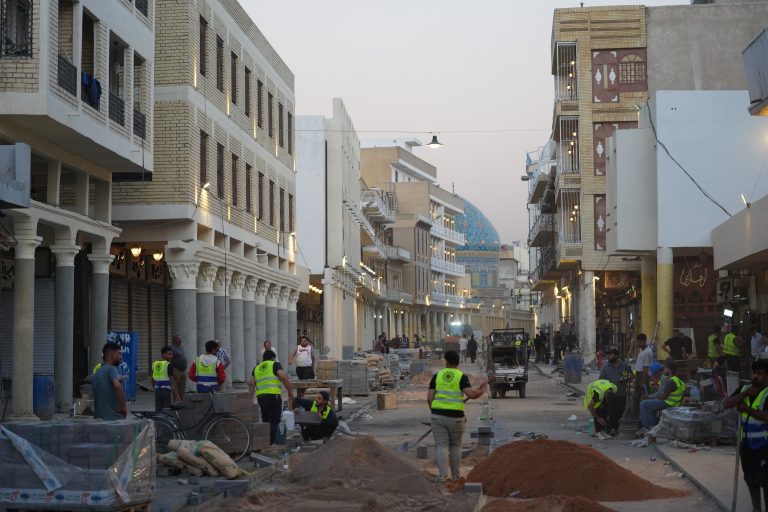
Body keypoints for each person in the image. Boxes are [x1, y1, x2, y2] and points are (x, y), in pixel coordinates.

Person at [428, 350, 487, 483]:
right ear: (458, 362)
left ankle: (442, 477)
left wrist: (435, 413)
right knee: (455, 446)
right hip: (456, 417)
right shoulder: (461, 377)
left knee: (441, 446)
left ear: (446, 362)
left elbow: (429, 398)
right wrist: (482, 390)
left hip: (437, 416)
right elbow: (471, 394)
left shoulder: (437, 376)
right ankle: (455, 477)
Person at [723, 359, 768, 512]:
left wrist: (746, 409)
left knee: (765, 481)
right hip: (746, 445)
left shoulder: (767, 393)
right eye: (754, 373)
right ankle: (756, 509)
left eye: (760, 374)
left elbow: (766, 416)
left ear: (766, 376)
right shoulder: (744, 389)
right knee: (750, 479)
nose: (756, 376)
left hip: (763, 446)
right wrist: (745, 394)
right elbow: (727, 403)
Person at [249, 349, 293, 445]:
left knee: (265, 419)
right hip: (273, 396)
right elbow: (283, 377)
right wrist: (290, 391)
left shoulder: (256, 368)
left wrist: (249, 399)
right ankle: (270, 442)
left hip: (261, 397)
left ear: (263, 358)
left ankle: (265, 442)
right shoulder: (275, 364)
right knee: (274, 420)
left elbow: (251, 384)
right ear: (273, 358)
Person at [637, 360, 685, 436]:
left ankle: (647, 428)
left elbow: (663, 396)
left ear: (669, 370)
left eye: (665, 368)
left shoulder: (670, 380)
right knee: (650, 405)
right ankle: (652, 427)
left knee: (643, 403)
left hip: (668, 403)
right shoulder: (677, 380)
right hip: (673, 403)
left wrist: (649, 397)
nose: (663, 370)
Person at [598, 348, 631, 435]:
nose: (608, 357)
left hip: (622, 394)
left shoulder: (624, 366)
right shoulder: (605, 368)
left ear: (616, 356)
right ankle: (609, 429)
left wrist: (627, 379)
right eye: (608, 355)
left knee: (620, 412)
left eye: (610, 355)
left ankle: (615, 429)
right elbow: (600, 381)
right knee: (611, 412)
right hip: (610, 395)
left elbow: (630, 376)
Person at [92, 343, 127, 420]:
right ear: (112, 355)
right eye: (119, 354)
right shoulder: (111, 369)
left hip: (99, 417)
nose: (121, 357)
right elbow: (117, 386)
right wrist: (123, 407)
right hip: (113, 418)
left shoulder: (97, 373)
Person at [632, 333, 653, 418]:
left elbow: (645, 368)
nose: (638, 344)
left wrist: (643, 382)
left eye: (639, 342)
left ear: (643, 341)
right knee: (636, 396)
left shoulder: (647, 352)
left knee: (643, 396)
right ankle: (637, 414)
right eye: (637, 342)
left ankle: (644, 415)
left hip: (643, 376)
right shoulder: (642, 350)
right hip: (639, 375)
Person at [152, 346, 179, 412]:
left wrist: (155, 389)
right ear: (164, 355)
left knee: (158, 411)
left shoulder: (154, 364)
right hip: (166, 392)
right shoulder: (168, 365)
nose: (171, 356)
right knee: (167, 411)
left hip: (157, 391)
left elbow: (152, 379)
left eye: (172, 354)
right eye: (169, 354)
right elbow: (172, 381)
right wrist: (176, 395)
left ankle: (158, 419)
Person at [169, 334, 188, 400]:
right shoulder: (171, 348)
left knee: (182, 387)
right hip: (176, 370)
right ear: (174, 340)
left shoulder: (181, 347)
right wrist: (172, 370)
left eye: (180, 339)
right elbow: (169, 359)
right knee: (176, 386)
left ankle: (181, 401)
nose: (180, 340)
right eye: (178, 339)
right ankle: (176, 401)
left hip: (183, 371)